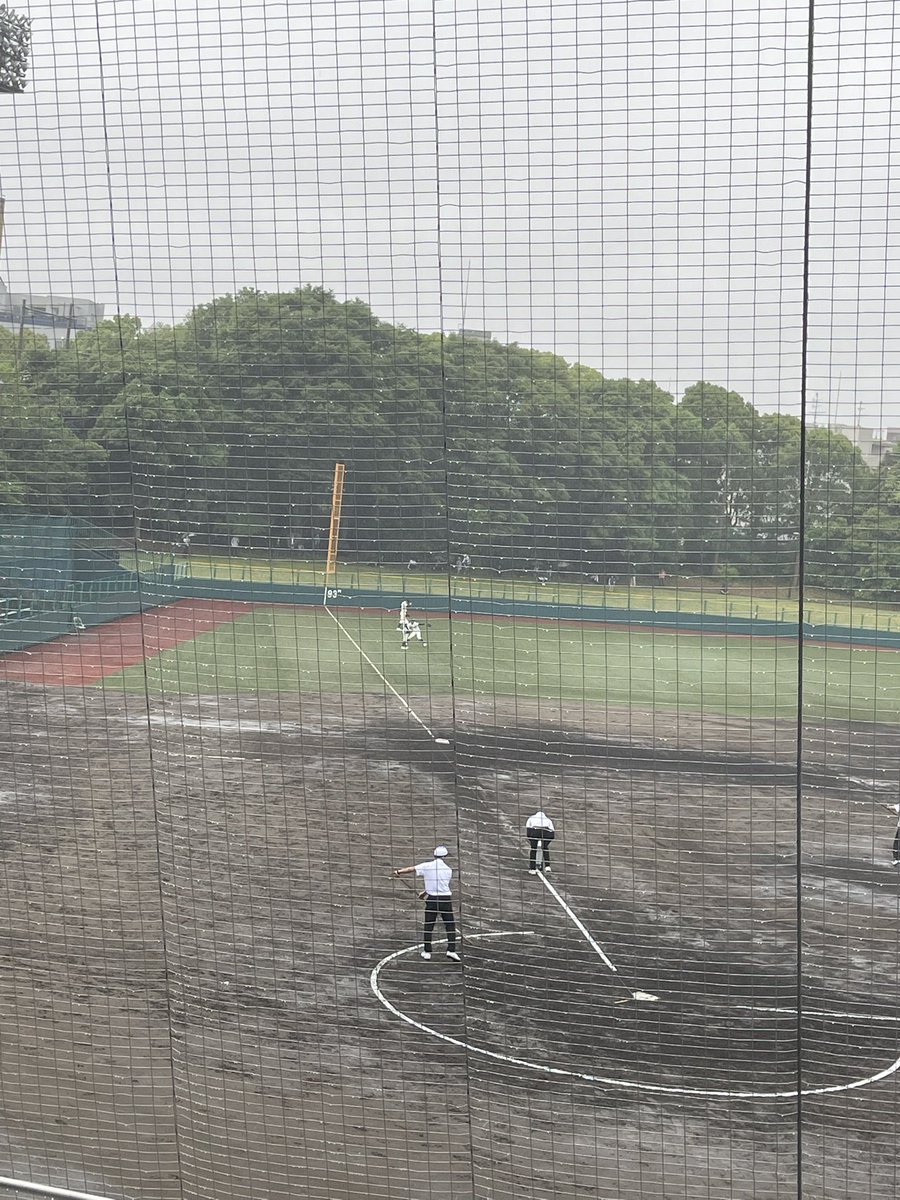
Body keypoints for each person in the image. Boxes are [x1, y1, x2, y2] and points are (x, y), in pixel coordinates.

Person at [393, 846, 460, 961]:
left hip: (432, 900)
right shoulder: (448, 870)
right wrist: (424, 893)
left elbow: (411, 869)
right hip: (446, 899)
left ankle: (427, 951)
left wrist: (398, 872)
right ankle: (451, 950)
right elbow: (440, 885)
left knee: (429, 925)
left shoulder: (427, 866)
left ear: (434, 855)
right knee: (450, 925)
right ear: (445, 857)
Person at [525, 809, 555, 874]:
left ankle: (532, 869)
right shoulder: (548, 820)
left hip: (535, 831)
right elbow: (552, 831)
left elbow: (528, 830)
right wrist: (546, 843)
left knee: (533, 849)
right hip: (547, 832)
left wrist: (532, 841)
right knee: (545, 848)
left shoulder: (531, 818)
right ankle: (547, 866)